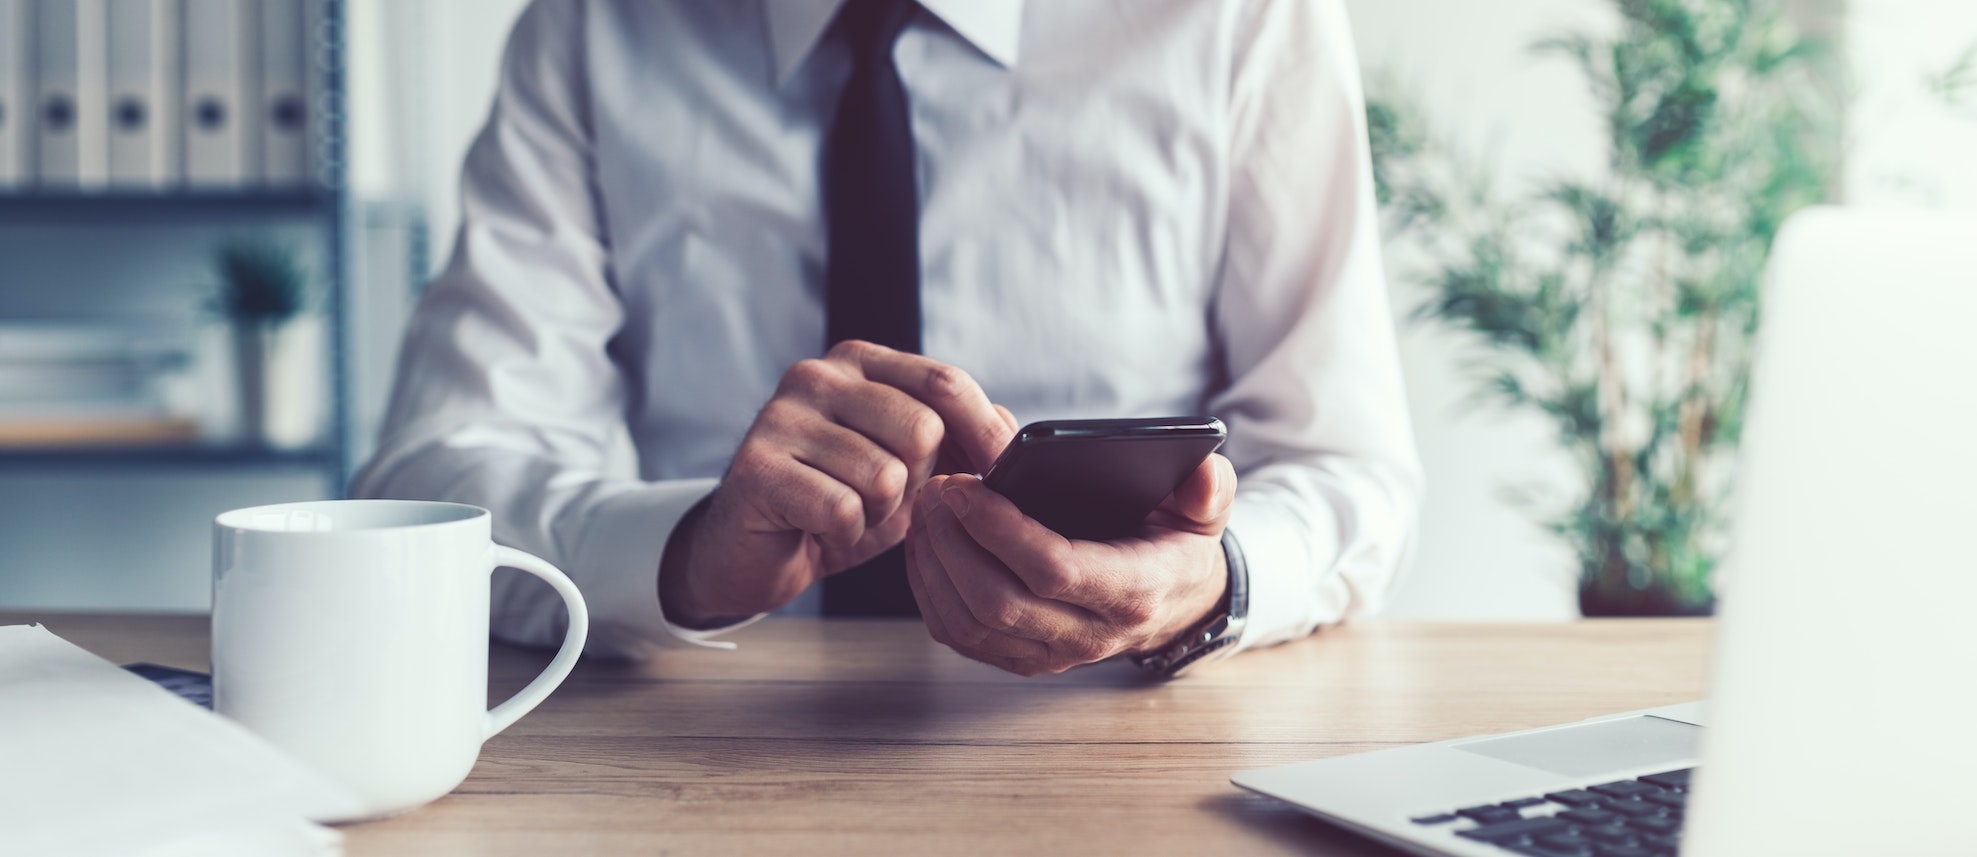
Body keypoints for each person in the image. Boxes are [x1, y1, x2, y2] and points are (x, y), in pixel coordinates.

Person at [352, 0, 1421, 677]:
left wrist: (1210, 582)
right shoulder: (590, 32)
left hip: (1121, 744)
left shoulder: (1241, 18)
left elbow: (1345, 466)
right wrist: (686, 553)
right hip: (708, 751)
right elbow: (426, 486)